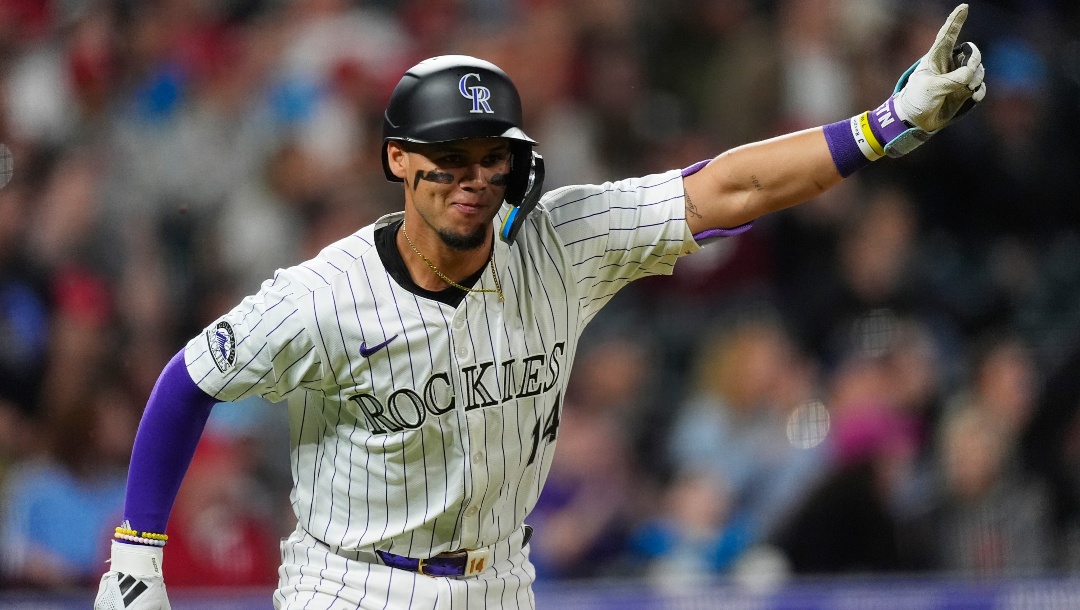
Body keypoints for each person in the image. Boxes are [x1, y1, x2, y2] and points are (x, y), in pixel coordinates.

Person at [94, 4, 986, 608]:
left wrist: (883, 125)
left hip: (500, 580)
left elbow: (726, 189)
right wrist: (138, 547)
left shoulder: (558, 240)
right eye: (449, 156)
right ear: (399, 159)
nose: (473, 179)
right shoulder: (324, 296)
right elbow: (189, 379)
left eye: (493, 156)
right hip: (353, 585)